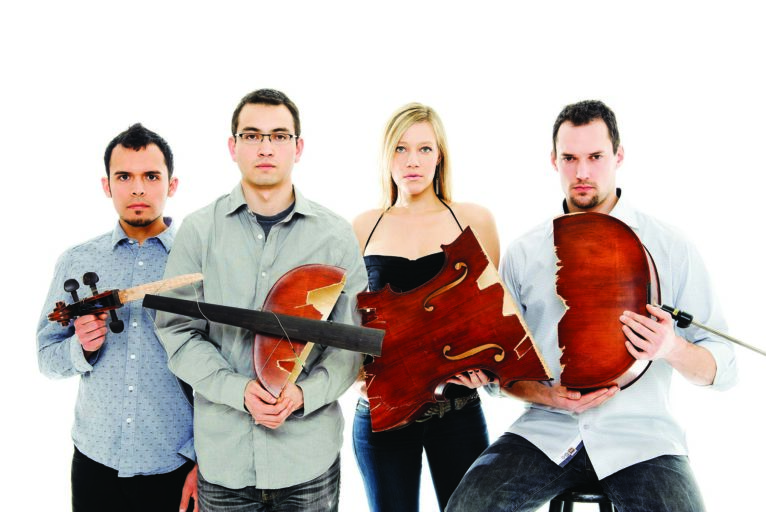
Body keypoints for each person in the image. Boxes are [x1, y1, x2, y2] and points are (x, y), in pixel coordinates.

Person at [447, 100, 738, 512]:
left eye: (595, 157)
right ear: (554, 161)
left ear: (618, 156)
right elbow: (502, 375)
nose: (582, 172)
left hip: (643, 438)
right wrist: (548, 396)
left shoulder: (670, 246)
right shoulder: (525, 252)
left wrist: (671, 347)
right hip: (545, 430)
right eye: (570, 158)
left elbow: (724, 368)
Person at [154, 88, 367, 512]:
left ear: (298, 147)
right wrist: (238, 390)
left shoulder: (335, 235)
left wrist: (304, 393)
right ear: (232, 146)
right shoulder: (198, 232)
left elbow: (352, 341)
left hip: (307, 460)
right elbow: (177, 332)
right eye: (251, 135)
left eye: (279, 136)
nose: (265, 147)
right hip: (224, 461)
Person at [37, 123, 198, 511]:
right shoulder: (78, 260)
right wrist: (81, 348)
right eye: (124, 176)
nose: (138, 189)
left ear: (172, 185)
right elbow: (46, 358)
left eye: (151, 176)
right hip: (95, 463)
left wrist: (203, 460)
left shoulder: (197, 262)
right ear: (107, 185)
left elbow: (225, 364)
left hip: (175, 464)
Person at [352, 102, 500, 512]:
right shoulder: (363, 226)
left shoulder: (474, 220)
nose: (412, 161)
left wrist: (484, 371)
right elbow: (347, 326)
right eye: (400, 149)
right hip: (383, 414)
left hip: (457, 410)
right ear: (386, 156)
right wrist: (355, 378)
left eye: (424, 149)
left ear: (440, 156)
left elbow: (491, 321)